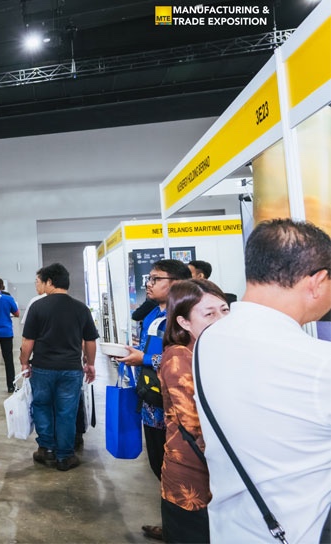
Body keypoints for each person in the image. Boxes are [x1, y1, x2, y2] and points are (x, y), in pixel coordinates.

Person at [195, 219, 331, 543]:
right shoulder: (318, 364)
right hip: (298, 534)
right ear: (317, 281)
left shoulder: (208, 339)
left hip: (230, 529)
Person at [121, 258, 190, 541]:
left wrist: (145, 359)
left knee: (179, 469)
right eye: (148, 279)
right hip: (152, 401)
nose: (148, 284)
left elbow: (186, 358)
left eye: (155, 279)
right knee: (158, 464)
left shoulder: (184, 316)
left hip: (176, 406)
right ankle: (173, 525)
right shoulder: (153, 313)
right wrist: (134, 355)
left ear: (176, 283)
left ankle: (184, 530)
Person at [159, 279, 229, 543]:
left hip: (222, 478)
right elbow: (195, 423)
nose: (221, 320)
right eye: (209, 314)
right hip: (192, 478)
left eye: (224, 310)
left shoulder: (215, 351)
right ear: (184, 322)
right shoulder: (179, 357)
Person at [20, 263, 97, 471]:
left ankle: (47, 450)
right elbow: (90, 340)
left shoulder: (38, 307)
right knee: (67, 412)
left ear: (50, 282)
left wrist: (24, 362)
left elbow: (28, 341)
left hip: (42, 368)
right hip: (71, 369)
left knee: (42, 406)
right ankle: (65, 456)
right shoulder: (81, 308)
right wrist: (90, 364)